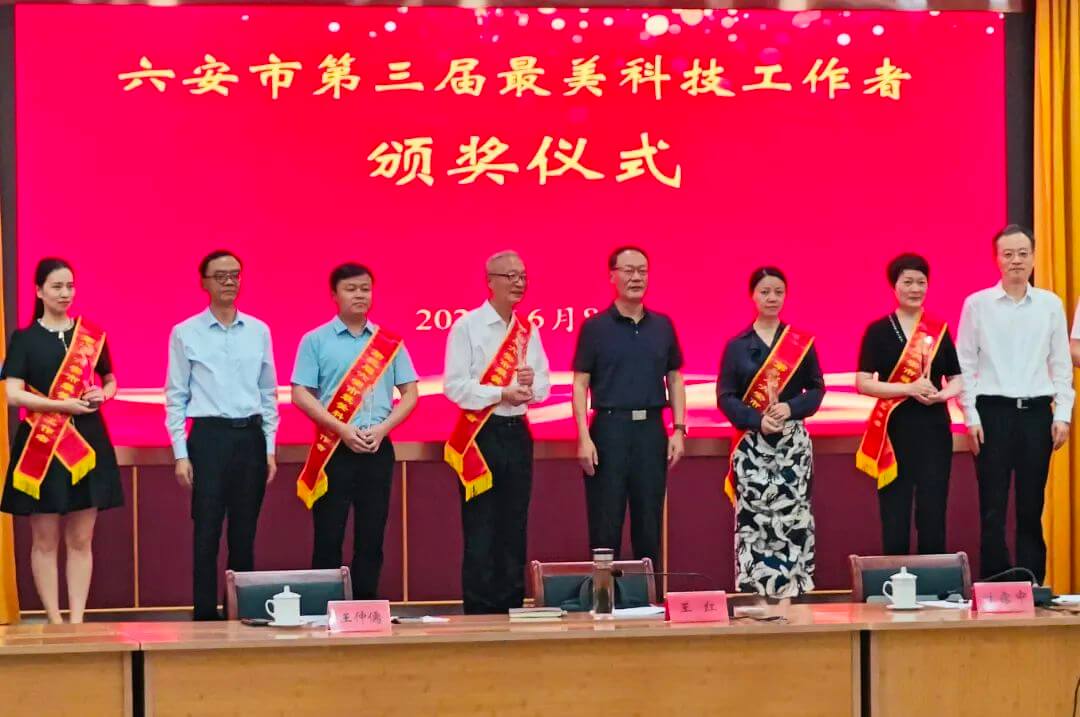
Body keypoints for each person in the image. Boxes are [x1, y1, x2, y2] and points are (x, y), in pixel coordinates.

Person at [2, 258, 121, 623]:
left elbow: (110, 379)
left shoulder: (91, 336)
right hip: (42, 444)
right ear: (39, 291)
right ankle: (55, 622)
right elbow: (13, 394)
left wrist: (104, 394)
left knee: (81, 539)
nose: (65, 293)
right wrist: (60, 406)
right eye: (56, 286)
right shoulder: (24, 340)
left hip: (87, 442)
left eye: (70, 286)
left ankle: (78, 621)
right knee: (44, 539)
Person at [292, 263, 418, 600]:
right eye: (351, 289)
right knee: (328, 534)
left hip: (377, 447)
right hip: (334, 448)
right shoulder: (315, 340)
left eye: (365, 289)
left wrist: (383, 429)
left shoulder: (389, 343)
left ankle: (365, 609)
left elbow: (410, 393)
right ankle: (323, 608)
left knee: (371, 536)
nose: (359, 295)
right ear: (334, 295)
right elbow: (301, 393)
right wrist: (341, 429)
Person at [166, 250, 279, 621]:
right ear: (204, 282)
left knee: (245, 534)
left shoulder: (259, 331)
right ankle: (204, 616)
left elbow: (268, 393)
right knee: (207, 532)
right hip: (208, 439)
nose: (229, 281)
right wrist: (180, 454)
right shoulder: (186, 332)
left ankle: (241, 613)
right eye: (220, 275)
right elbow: (176, 396)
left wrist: (269, 448)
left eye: (235, 274)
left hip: (250, 438)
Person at [957, 225, 1073, 582]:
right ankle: (994, 586)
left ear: (1034, 257)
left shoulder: (1050, 305)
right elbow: (965, 365)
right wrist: (971, 415)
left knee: (1031, 507)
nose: (1016, 261)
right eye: (1008, 254)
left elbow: (1061, 364)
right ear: (997, 259)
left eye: (1023, 253)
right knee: (992, 508)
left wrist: (1063, 414)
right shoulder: (977, 305)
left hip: (1037, 414)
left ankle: (1031, 584)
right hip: (992, 413)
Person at [444, 250, 550, 614]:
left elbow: (544, 387)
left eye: (523, 276)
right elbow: (455, 387)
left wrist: (530, 387)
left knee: (514, 525)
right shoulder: (467, 327)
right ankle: (479, 611)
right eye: (510, 276)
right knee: (481, 526)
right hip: (481, 436)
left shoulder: (528, 330)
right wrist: (500, 393)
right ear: (490, 281)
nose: (519, 283)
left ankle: (511, 606)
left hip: (517, 433)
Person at [572, 246, 686, 573]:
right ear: (612, 276)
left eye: (642, 271)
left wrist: (679, 429)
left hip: (651, 431)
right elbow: (580, 384)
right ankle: (604, 595)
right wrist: (583, 437)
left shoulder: (662, 326)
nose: (636, 277)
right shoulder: (595, 328)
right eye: (628, 270)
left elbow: (675, 379)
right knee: (605, 523)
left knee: (649, 523)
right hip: (609, 431)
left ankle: (646, 597)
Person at [717, 266, 824, 603]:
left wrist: (791, 408)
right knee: (754, 519)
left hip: (792, 446)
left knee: (793, 518)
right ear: (753, 295)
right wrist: (757, 420)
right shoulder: (737, 346)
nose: (772, 298)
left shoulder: (800, 343)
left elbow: (817, 390)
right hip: (752, 445)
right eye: (765, 292)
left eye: (778, 292)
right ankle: (755, 595)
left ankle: (794, 593)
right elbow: (726, 397)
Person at [855, 254, 963, 555]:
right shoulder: (878, 331)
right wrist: (908, 388)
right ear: (895, 286)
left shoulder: (939, 329)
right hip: (894, 431)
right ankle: (895, 575)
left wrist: (942, 395)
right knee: (894, 510)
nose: (915, 289)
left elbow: (957, 378)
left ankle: (933, 579)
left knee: (933, 509)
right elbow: (863, 382)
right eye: (908, 282)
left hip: (934, 429)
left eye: (921, 282)